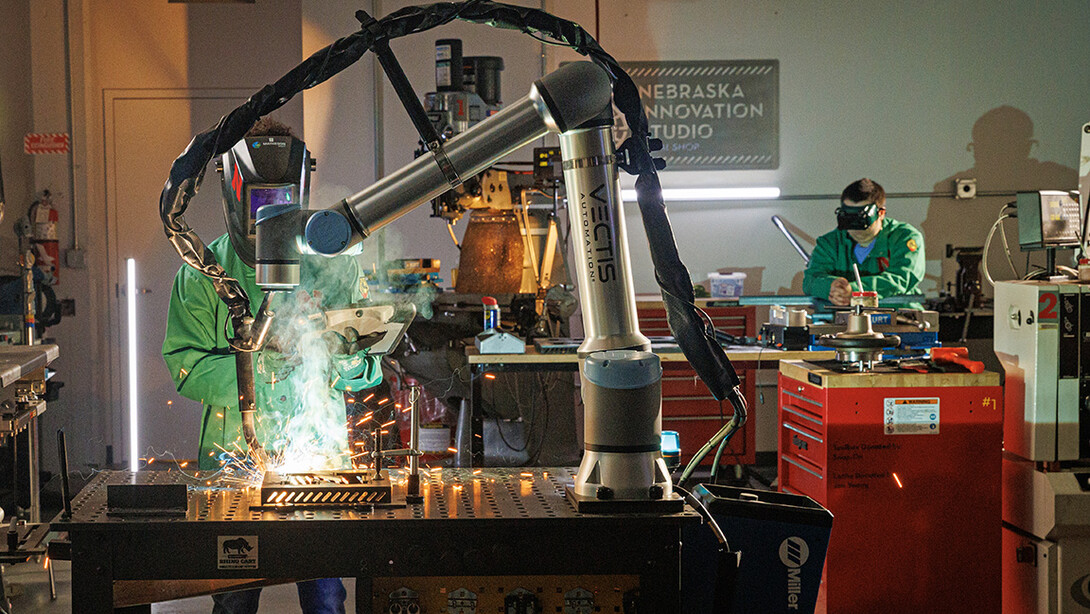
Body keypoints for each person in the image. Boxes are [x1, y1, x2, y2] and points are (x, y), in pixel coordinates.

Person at [162, 118, 380, 614]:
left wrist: (338, 357)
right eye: (261, 205)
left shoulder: (336, 262)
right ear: (232, 193)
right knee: (235, 599)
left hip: (321, 464)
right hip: (235, 461)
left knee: (326, 598)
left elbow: (367, 366)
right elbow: (185, 364)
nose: (271, 221)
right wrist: (261, 371)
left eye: (281, 204)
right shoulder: (201, 273)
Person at [803, 178, 925, 307]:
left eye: (861, 221)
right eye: (849, 220)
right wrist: (831, 287)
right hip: (846, 321)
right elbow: (811, 280)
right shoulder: (830, 243)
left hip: (900, 318)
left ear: (881, 213)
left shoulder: (904, 237)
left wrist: (855, 291)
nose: (855, 228)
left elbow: (902, 277)